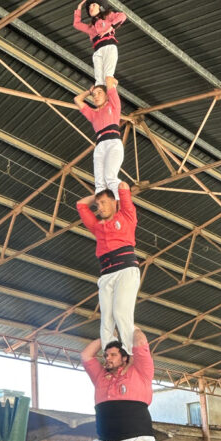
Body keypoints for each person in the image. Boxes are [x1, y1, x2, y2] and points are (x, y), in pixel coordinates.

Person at [75, 117, 138, 349]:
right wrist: (98, 193)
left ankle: (130, 352)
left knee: (121, 313)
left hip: (126, 269)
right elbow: (81, 205)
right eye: (98, 205)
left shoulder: (126, 215)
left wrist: (109, 190)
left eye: (103, 203)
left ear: (114, 203)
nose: (99, 207)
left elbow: (122, 187)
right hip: (106, 273)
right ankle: (110, 356)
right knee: (106, 321)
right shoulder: (97, 226)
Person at [81, 330, 154, 441]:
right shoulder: (100, 376)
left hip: (135, 440)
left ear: (125, 357)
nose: (108, 358)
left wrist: (126, 325)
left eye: (113, 355)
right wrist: (106, 335)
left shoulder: (140, 372)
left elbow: (141, 341)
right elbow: (86, 355)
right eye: (106, 355)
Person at [73, 0, 127, 84]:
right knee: (99, 80)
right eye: (89, 7)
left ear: (101, 7)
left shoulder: (108, 16)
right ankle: (104, 89)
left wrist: (111, 27)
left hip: (109, 47)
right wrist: (79, 8)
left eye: (94, 5)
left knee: (108, 75)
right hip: (97, 52)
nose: (91, 8)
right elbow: (77, 24)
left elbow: (123, 16)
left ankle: (112, 87)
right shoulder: (91, 28)